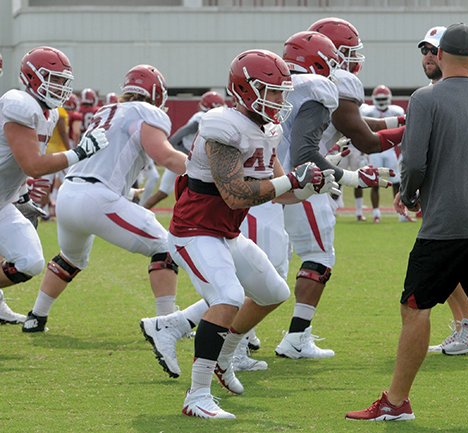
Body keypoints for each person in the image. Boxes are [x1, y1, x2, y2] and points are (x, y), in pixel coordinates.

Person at [346, 23, 468, 425]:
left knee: (415, 307)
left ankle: (396, 401)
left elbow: (414, 162)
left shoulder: (424, 98)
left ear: (439, 54)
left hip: (449, 222)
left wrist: (410, 194)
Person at [167, 49, 340, 419]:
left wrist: (315, 185)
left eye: (281, 92)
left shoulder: (268, 130)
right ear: (244, 89)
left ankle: (224, 357)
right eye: (272, 91)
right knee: (227, 297)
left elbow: (283, 191)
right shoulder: (221, 126)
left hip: (225, 233)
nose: (279, 99)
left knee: (273, 291)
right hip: (194, 230)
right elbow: (235, 194)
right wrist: (292, 179)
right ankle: (197, 395)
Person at [21, 64, 192, 333]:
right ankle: (167, 322)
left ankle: (36, 316)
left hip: (69, 195)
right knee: (165, 248)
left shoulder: (107, 111)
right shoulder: (147, 112)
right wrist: (205, 170)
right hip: (96, 199)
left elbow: (106, 164)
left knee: (70, 258)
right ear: (157, 94)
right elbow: (165, 156)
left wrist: (130, 194)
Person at [274, 24, 398, 360]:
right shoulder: (329, 84)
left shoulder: (291, 82)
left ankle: (241, 338)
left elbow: (351, 124)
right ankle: (295, 337)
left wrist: (399, 123)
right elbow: (363, 137)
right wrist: (356, 176)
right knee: (315, 258)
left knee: (272, 262)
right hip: (303, 181)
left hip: (274, 181)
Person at [0, 46, 108, 315]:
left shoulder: (47, 114)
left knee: (29, 262)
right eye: (53, 78)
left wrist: (21, 194)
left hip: (3, 202)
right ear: (33, 77)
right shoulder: (19, 104)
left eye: (62, 80)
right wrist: (79, 152)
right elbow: (33, 165)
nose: (59, 86)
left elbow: (14, 164)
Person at [415, 25, 468, 356]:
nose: (429, 56)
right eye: (424, 50)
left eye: (434, 49)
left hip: (462, 199)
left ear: (447, 53)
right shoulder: (433, 93)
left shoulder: (465, 93)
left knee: (448, 270)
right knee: (454, 270)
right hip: (446, 196)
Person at [142, 91, 226, 210]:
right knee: (167, 192)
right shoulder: (201, 117)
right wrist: (170, 147)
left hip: (189, 158)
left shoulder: (210, 119)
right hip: (184, 157)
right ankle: (141, 211)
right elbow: (182, 133)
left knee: (171, 192)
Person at [361, 85, 410, 223]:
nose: (381, 101)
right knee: (375, 182)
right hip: (375, 149)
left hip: (390, 150)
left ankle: (401, 214)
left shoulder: (396, 110)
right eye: (379, 98)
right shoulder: (367, 111)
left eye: (384, 98)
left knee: (396, 182)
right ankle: (376, 214)